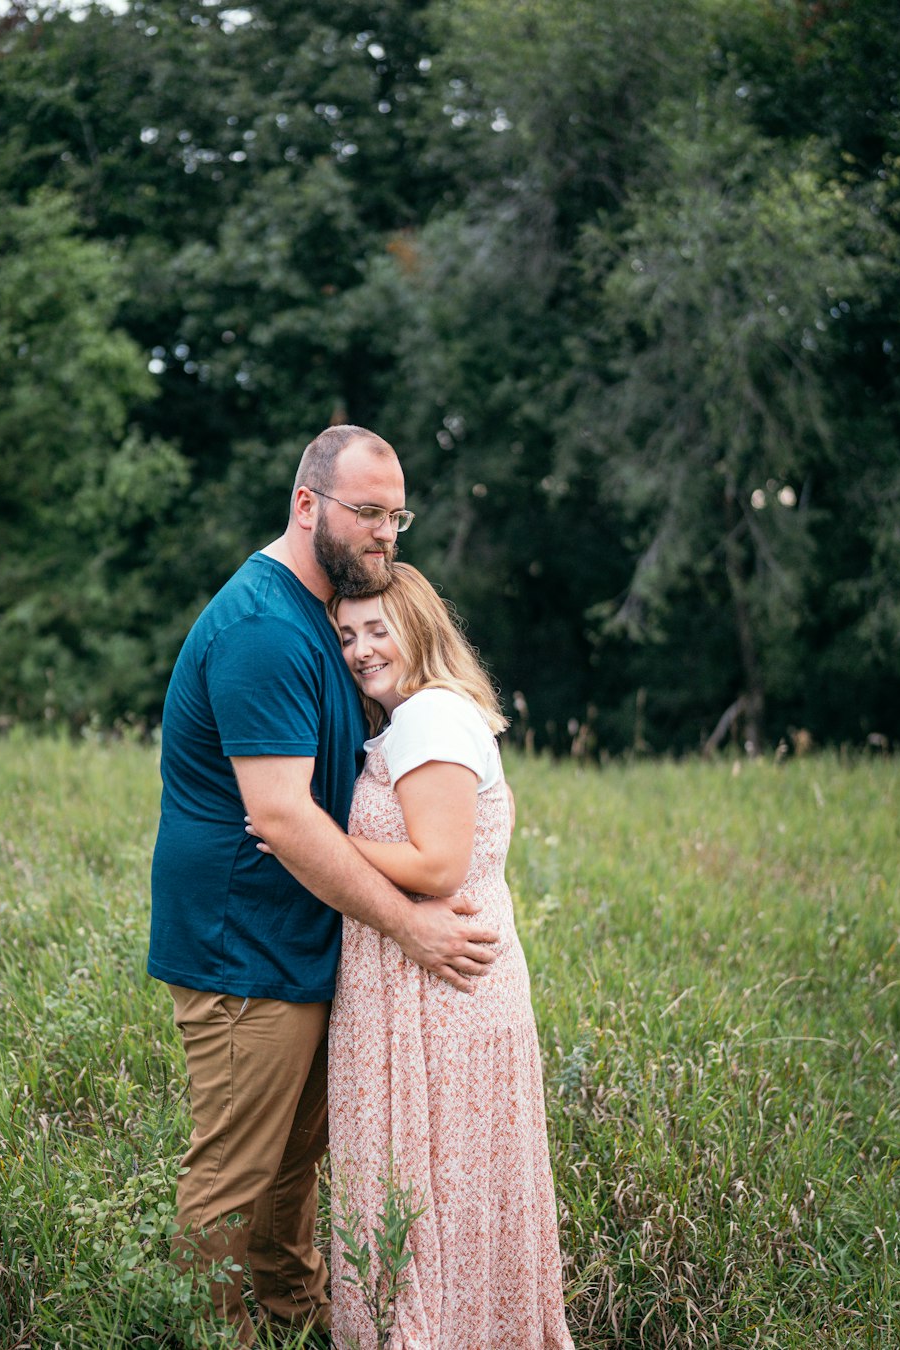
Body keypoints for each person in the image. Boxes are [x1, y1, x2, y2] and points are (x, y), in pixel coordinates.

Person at [148, 426, 499, 1346]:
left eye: (397, 516)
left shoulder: (323, 614)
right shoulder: (264, 627)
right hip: (243, 949)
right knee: (234, 1180)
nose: (387, 534)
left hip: (303, 942)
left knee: (290, 1176)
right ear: (307, 505)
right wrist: (414, 928)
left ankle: (298, 1328)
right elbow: (284, 817)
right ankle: (213, 1337)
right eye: (368, 513)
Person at [323, 564, 574, 1349]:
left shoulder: (431, 716)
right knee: (445, 1199)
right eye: (347, 636)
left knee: (434, 1197)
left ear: (420, 626)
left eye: (377, 628)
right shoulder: (414, 719)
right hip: (426, 986)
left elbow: (438, 864)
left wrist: (315, 840)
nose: (362, 650)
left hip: (438, 996)